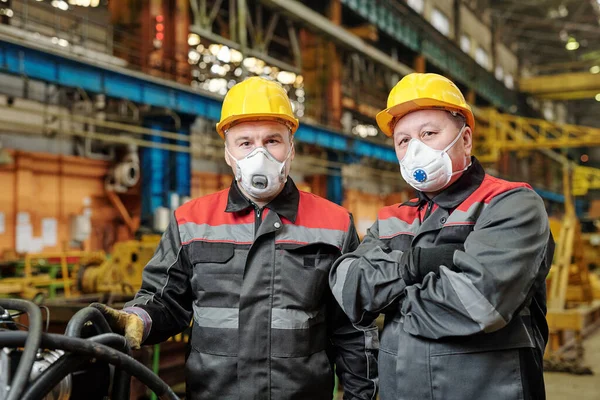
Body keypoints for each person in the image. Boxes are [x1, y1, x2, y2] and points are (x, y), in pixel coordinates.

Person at [92, 77, 378, 400]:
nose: (260, 154)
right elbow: (166, 300)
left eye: (272, 141)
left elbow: (353, 332)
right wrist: (139, 318)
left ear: (291, 148)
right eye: (245, 143)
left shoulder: (335, 225)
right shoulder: (191, 221)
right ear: (228, 152)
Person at [329, 73, 554, 400]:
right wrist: (412, 267)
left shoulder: (510, 203)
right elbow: (349, 289)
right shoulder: (394, 216)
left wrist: (389, 300)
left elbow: (479, 305)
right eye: (403, 140)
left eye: (429, 133)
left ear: (465, 140)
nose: (415, 149)